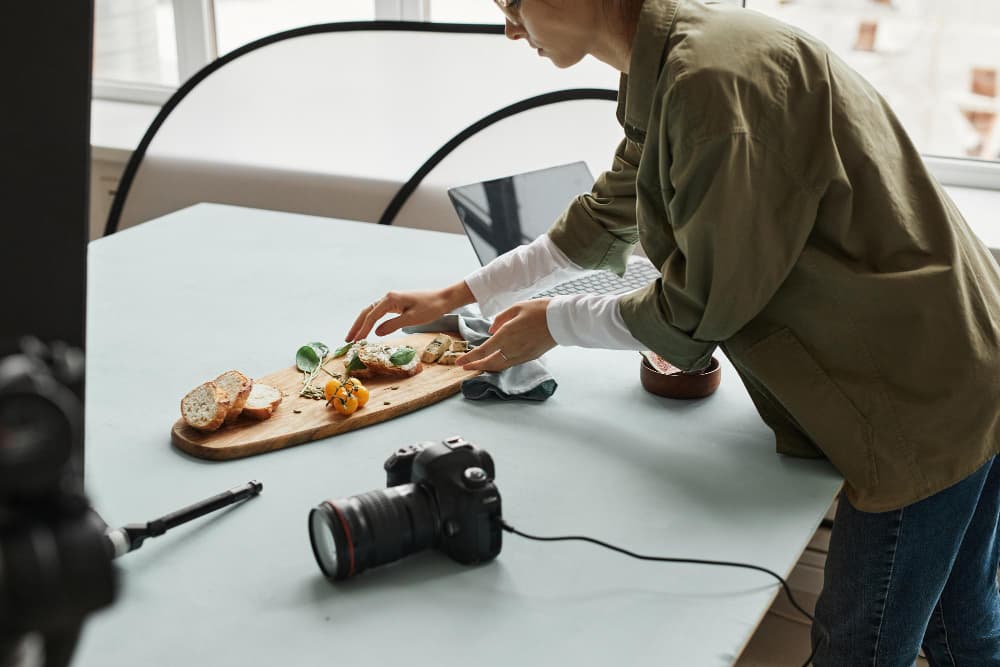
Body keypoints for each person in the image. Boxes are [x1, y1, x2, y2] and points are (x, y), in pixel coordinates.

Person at [346, 0, 1000, 663]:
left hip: (919, 400)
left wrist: (553, 321)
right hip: (965, 353)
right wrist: (461, 292)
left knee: (860, 646)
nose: (509, 27)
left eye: (512, 4)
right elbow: (603, 215)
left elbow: (692, 311)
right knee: (962, 626)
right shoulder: (678, 62)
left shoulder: (708, 89)